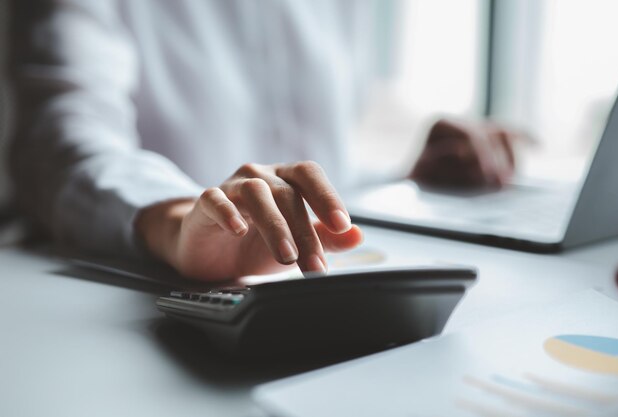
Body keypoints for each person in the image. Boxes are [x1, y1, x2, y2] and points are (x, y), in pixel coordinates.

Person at [9, 1, 519, 281]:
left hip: (324, 290)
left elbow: (312, 158)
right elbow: (57, 147)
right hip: (161, 299)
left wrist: (408, 176)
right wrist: (179, 222)